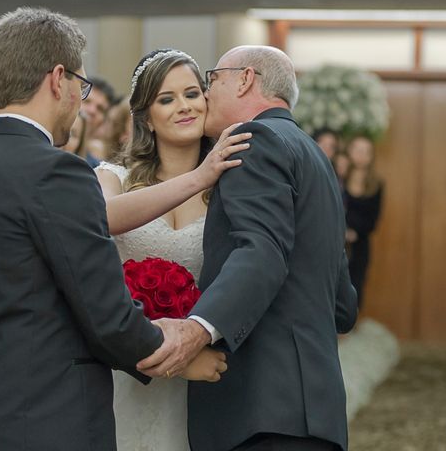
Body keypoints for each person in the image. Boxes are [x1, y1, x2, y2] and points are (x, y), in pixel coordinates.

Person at [0, 7, 225, 451]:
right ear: (57, 79)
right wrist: (178, 350)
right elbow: (105, 314)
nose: (80, 101)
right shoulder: (57, 174)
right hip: (48, 423)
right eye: (81, 86)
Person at [136, 45, 358, 451]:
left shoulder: (253, 139)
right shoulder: (314, 155)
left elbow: (262, 251)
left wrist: (197, 328)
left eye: (212, 80)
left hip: (262, 411)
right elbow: (342, 305)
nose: (206, 94)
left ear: (245, 79)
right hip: (312, 411)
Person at [95, 48, 251, 450]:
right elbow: (106, 217)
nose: (184, 106)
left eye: (192, 94)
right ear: (146, 117)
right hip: (125, 371)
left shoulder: (232, 187)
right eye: (166, 99)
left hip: (206, 368)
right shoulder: (112, 177)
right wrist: (200, 177)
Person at [343, 135, 383, 306]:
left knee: (356, 287)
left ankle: (349, 330)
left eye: (365, 151)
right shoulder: (340, 177)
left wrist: (354, 232)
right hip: (336, 241)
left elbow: (373, 221)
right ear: (349, 151)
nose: (361, 155)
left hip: (360, 245)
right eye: (357, 150)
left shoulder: (377, 184)